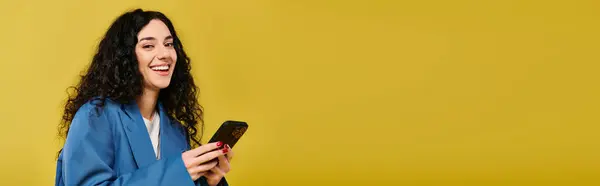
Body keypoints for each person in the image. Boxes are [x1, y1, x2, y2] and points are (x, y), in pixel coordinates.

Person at [55, 9, 233, 186]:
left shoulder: (176, 131)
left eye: (169, 44)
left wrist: (210, 182)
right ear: (126, 56)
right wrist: (176, 172)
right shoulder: (96, 116)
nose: (165, 54)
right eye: (148, 46)